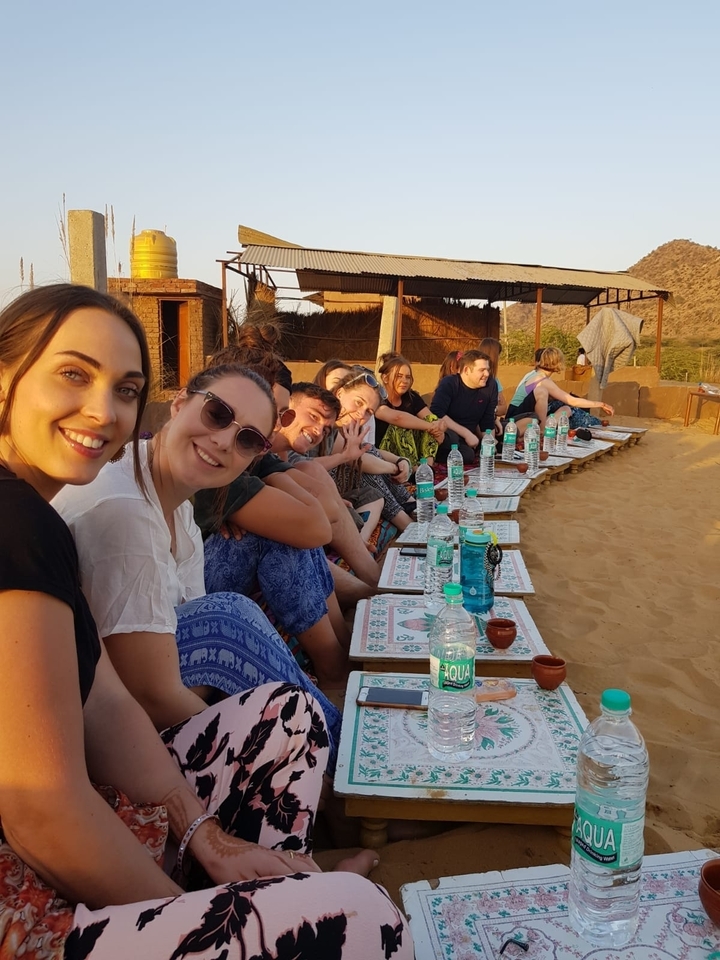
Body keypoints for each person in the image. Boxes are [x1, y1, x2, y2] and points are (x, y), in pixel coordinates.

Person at [0, 283, 411, 960]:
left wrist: (206, 838)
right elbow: (42, 814)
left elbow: (103, 703)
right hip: (26, 897)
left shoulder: (38, 517)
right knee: (365, 919)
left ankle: (279, 874)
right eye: (74, 374)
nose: (102, 409)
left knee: (287, 717)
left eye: (124, 388)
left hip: (89, 813)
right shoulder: (30, 524)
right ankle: (282, 885)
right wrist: (210, 912)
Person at [53, 360, 346, 767]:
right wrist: (264, 753)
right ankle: (337, 757)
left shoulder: (174, 501)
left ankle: (337, 738)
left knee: (231, 614)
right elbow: (150, 695)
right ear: (179, 404)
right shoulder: (126, 512)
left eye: (248, 440)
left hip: (155, 663)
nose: (225, 441)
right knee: (228, 620)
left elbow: (186, 619)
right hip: (97, 709)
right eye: (217, 414)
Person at [314, 365, 416, 532]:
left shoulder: (351, 426)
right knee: (359, 466)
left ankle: (409, 505)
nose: (362, 414)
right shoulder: (325, 423)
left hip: (335, 490)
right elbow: (358, 459)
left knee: (367, 454)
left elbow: (370, 450)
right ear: (339, 393)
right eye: (358, 402)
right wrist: (393, 468)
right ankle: (406, 518)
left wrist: (400, 460)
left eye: (368, 411)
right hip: (315, 492)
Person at [506, 346, 614, 433]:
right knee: (543, 392)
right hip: (517, 418)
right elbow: (572, 400)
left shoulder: (540, 376)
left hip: (525, 416)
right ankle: (542, 430)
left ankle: (542, 428)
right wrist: (601, 404)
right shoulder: (542, 380)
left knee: (566, 410)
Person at [375, 351, 444, 467]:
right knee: (402, 425)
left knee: (431, 419)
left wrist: (439, 428)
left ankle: (427, 466)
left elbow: (432, 417)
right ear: (385, 378)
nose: (404, 381)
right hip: (385, 453)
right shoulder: (377, 398)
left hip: (413, 449)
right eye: (399, 376)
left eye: (408, 377)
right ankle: (412, 469)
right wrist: (431, 427)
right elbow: (398, 418)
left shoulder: (411, 397)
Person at [430, 350, 498, 463]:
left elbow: (488, 419)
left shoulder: (490, 385)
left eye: (488, 369)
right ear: (466, 370)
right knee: (462, 451)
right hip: (448, 432)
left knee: (496, 442)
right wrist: (466, 434)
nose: (487, 374)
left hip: (472, 436)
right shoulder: (450, 383)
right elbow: (437, 413)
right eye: (482, 370)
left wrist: (490, 443)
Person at [478, 337, 508, 433]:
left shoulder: (495, 380)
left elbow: (503, 408)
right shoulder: (478, 379)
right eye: (498, 355)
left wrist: (491, 410)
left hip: (491, 420)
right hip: (479, 425)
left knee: (531, 417)